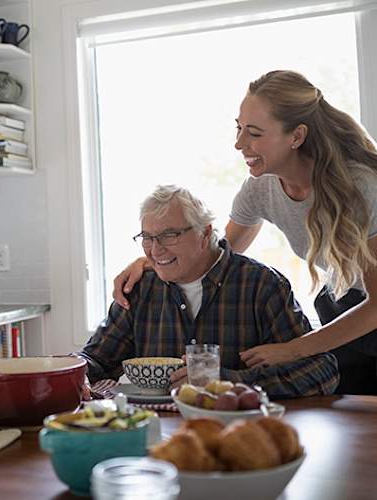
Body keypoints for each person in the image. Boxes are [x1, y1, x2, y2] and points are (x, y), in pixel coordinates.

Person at [111, 70, 377, 395]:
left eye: (254, 133)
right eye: (239, 129)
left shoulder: (361, 188)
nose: (239, 144)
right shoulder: (260, 189)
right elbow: (213, 256)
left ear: (296, 136)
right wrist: (153, 260)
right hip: (345, 304)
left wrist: (292, 349)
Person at [77, 185, 338, 398]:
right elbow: (97, 359)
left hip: (240, 436)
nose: (155, 250)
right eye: (147, 237)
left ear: (205, 233)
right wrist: (64, 372)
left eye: (169, 235)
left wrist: (231, 383)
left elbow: (321, 370)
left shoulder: (261, 285)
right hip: (155, 437)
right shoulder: (139, 288)